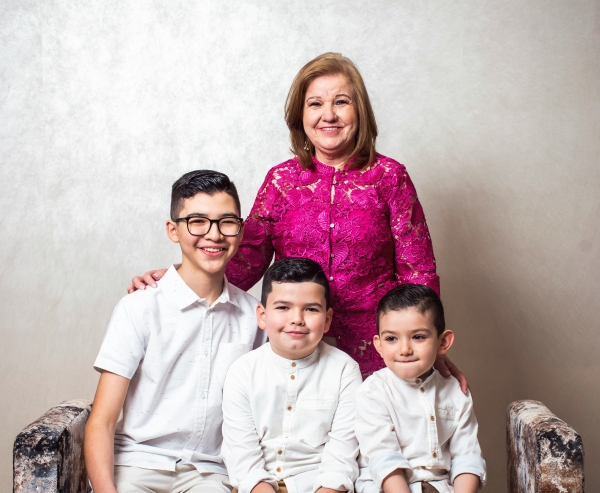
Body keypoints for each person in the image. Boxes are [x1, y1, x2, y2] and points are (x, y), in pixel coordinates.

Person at [128, 52, 463, 384]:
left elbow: (417, 271)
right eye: (315, 104)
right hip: (298, 343)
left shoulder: (390, 177)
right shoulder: (281, 181)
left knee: (376, 435)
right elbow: (243, 261)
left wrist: (426, 344)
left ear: (360, 111)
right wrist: (178, 280)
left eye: (341, 102)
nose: (328, 115)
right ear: (299, 116)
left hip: (378, 350)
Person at [84, 170, 266, 493]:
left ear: (240, 231)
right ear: (173, 230)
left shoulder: (255, 318)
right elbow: (102, 421)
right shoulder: (139, 308)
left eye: (227, 222)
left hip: (210, 473)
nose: (214, 235)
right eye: (197, 221)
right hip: (138, 464)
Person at [221, 258, 362, 493]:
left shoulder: (345, 371)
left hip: (319, 487)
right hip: (257, 487)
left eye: (311, 309)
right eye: (283, 307)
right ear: (262, 315)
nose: (297, 319)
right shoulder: (243, 371)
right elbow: (241, 454)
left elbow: (341, 455)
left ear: (327, 319)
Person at [354, 284, 486, 493]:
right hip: (390, 487)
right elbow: (383, 458)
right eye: (391, 338)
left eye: (418, 337)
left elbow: (467, 456)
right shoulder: (372, 392)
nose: (404, 349)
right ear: (378, 345)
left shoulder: (455, 391)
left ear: (442, 342)